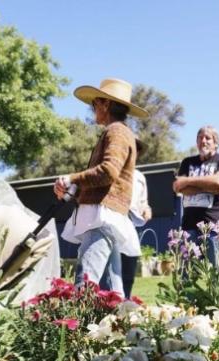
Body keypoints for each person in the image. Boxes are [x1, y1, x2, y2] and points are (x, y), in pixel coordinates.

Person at [53, 78, 148, 296]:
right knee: (112, 293)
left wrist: (72, 179)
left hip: (101, 217)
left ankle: (78, 329)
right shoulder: (120, 132)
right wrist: (74, 189)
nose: (93, 109)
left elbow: (108, 171)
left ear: (105, 104)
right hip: (107, 216)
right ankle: (120, 329)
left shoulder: (116, 131)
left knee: (85, 285)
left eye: (94, 104)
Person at [173, 126, 219, 264]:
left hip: (214, 227)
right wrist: (209, 187)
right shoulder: (187, 162)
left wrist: (187, 181)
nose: (203, 141)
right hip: (189, 227)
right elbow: (177, 186)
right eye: (200, 138)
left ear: (216, 143)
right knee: (186, 273)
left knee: (216, 273)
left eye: (208, 138)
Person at [101, 137, 152, 298]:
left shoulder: (140, 177)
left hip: (130, 227)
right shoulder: (110, 171)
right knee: (110, 271)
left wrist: (146, 209)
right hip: (111, 224)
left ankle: (125, 304)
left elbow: (143, 203)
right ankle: (105, 307)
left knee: (129, 268)